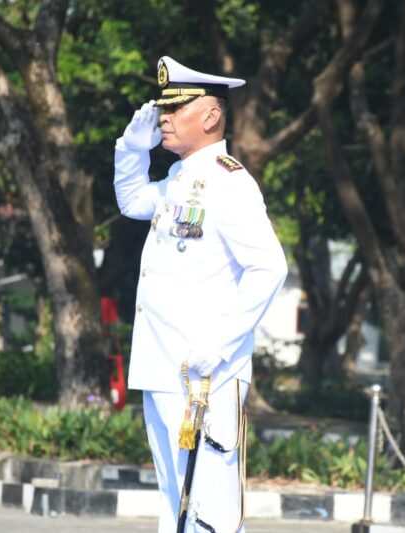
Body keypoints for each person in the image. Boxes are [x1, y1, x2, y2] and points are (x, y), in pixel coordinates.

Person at [114, 56, 288, 532]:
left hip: (203, 375)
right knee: (176, 506)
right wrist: (132, 147)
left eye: (175, 108)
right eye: (161, 109)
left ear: (210, 116)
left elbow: (269, 267)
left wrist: (218, 344)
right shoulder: (178, 179)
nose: (163, 118)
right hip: (164, 366)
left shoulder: (229, 182)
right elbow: (130, 200)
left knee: (210, 510)